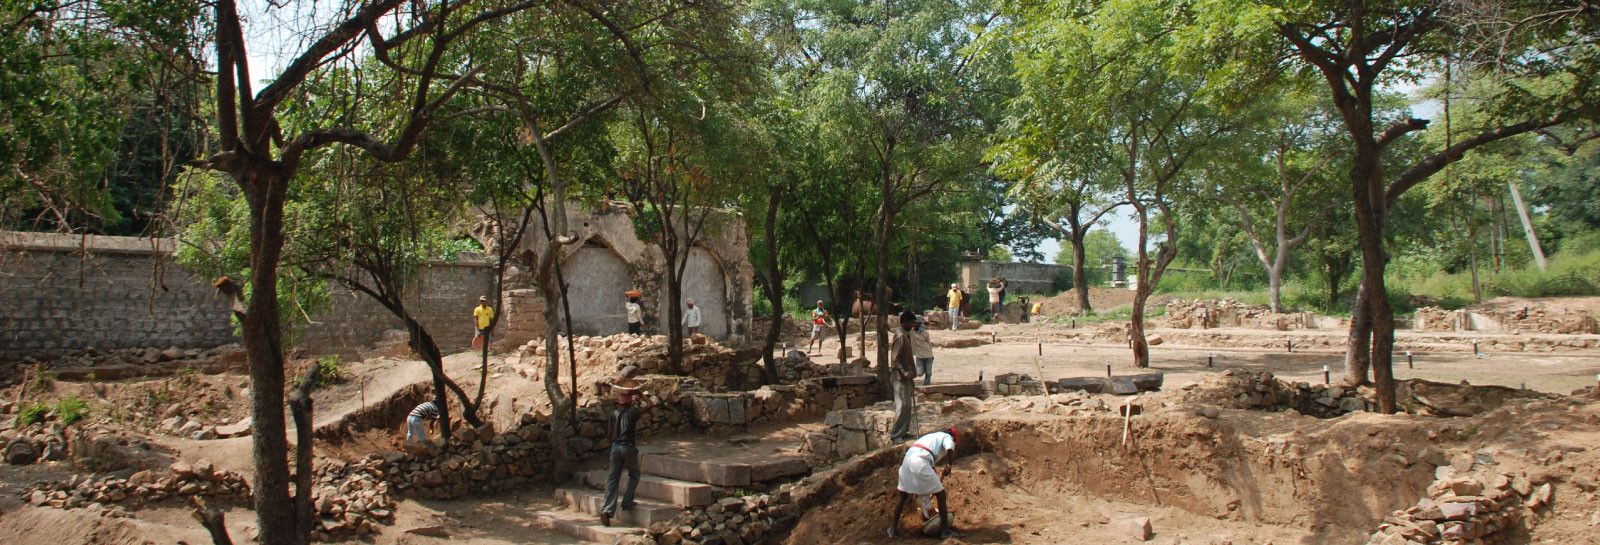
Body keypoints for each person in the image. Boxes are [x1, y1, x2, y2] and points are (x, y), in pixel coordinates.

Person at [888, 427, 962, 539]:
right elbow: (950, 449)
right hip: (919, 461)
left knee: (902, 495)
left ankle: (892, 529)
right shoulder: (947, 437)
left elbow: (928, 460)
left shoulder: (931, 437)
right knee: (941, 495)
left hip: (907, 461)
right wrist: (949, 465)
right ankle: (945, 530)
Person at [600, 389, 653, 526]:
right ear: (630, 403)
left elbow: (609, 434)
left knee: (613, 479)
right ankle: (627, 501)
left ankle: (607, 509)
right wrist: (641, 394)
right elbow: (650, 405)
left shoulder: (613, 414)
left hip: (615, 447)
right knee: (634, 475)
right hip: (628, 447)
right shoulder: (633, 414)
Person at [888, 311, 919, 442]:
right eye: (911, 322)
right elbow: (895, 358)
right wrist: (903, 372)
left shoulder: (906, 335)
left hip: (906, 376)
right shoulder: (900, 336)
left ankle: (904, 431)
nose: (913, 325)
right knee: (902, 405)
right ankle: (896, 434)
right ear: (905, 322)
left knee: (907, 406)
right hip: (899, 377)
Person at [909, 315, 934, 386]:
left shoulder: (926, 333)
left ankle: (926, 384)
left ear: (920, 323)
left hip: (928, 354)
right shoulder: (911, 332)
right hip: (919, 355)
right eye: (913, 322)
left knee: (928, 372)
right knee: (919, 373)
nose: (914, 324)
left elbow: (929, 344)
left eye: (916, 323)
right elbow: (900, 330)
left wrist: (932, 355)